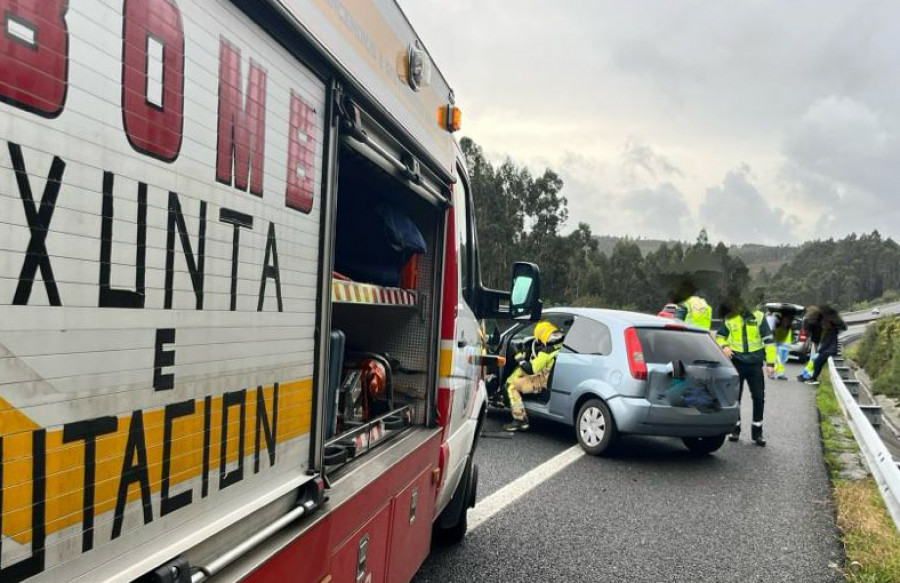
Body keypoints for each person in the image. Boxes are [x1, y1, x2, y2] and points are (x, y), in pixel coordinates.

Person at [716, 296, 776, 446]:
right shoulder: (730, 318)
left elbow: (768, 341)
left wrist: (770, 363)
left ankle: (757, 432)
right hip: (737, 362)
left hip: (755, 364)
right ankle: (735, 429)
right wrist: (725, 346)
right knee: (736, 397)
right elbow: (720, 336)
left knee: (758, 396)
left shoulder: (759, 317)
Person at [503, 321, 564, 432]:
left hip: (542, 382)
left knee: (511, 386)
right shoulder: (561, 344)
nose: (539, 342)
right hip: (551, 376)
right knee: (519, 373)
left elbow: (530, 369)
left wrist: (519, 357)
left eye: (539, 339)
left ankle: (520, 420)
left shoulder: (546, 352)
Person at [804, 305, 847, 386]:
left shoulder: (830, 332)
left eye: (825, 323)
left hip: (829, 351)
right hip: (829, 350)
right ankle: (812, 377)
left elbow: (826, 344)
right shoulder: (831, 331)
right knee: (816, 361)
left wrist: (820, 351)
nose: (823, 325)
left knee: (817, 361)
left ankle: (813, 378)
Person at [771, 313, 793, 380]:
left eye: (788, 320)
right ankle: (774, 374)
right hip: (779, 347)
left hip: (786, 348)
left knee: (782, 362)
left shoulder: (789, 328)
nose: (787, 322)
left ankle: (779, 374)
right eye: (785, 320)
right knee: (778, 361)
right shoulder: (778, 328)